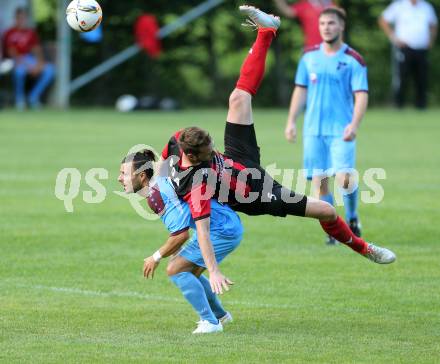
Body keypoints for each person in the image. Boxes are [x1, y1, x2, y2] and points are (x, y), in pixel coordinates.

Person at [150, 5, 396, 295]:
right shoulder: (198, 184)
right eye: (207, 152)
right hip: (257, 193)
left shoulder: (178, 141)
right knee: (327, 210)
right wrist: (213, 269)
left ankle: (266, 32)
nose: (212, 151)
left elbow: (161, 172)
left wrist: (158, 181)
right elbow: (201, 231)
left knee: (238, 98)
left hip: (240, 159)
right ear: (193, 158)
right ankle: (364, 248)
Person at [118, 150, 242, 334]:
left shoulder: (156, 196)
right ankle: (220, 315)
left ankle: (211, 322)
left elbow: (180, 235)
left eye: (124, 174)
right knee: (187, 270)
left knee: (175, 269)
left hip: (221, 230)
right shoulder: (157, 187)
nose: (119, 178)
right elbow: (181, 225)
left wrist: (155, 257)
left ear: (142, 176)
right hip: (226, 223)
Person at [284, 7, 367, 244]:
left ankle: (352, 218)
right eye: (323, 24)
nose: (326, 28)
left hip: (341, 129)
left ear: (341, 26)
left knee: (344, 179)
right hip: (313, 131)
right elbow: (300, 90)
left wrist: (354, 124)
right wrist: (291, 121)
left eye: (331, 23)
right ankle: (334, 230)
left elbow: (361, 94)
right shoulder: (309, 57)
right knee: (320, 184)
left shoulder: (353, 59)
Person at [378, 0, 438, 109]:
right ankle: (398, 105)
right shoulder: (399, 5)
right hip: (404, 48)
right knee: (402, 77)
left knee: (421, 77)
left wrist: (431, 40)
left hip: (422, 48)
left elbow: (433, 24)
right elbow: (383, 20)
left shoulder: (426, 6)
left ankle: (421, 106)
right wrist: (394, 38)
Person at [2, 7, 55, 110]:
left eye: (23, 18)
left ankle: (33, 97)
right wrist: (29, 66)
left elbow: (36, 49)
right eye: (19, 18)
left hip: (29, 58)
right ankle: (19, 100)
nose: (21, 20)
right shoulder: (9, 32)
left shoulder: (30, 33)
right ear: (15, 18)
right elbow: (12, 52)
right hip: (14, 60)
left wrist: (39, 63)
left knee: (50, 70)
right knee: (19, 72)